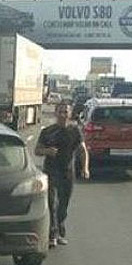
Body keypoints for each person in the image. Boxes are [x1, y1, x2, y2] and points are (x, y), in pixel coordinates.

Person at [34, 102, 89, 247]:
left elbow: (83, 150)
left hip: (67, 172)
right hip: (51, 171)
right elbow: (37, 150)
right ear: (55, 113)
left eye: (65, 112)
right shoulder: (48, 132)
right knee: (51, 203)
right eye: (60, 112)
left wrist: (85, 168)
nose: (63, 115)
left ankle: (59, 232)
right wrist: (47, 151)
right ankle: (52, 235)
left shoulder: (74, 131)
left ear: (70, 114)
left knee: (63, 204)